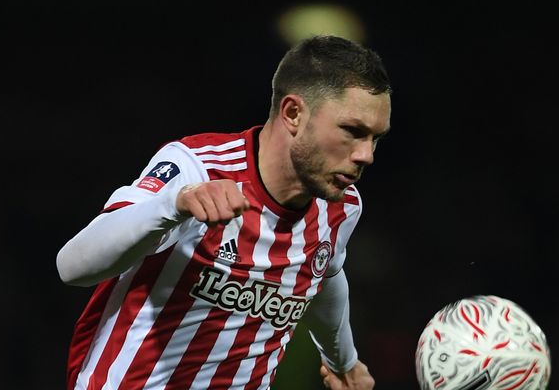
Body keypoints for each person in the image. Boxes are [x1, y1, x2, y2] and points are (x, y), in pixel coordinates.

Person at [56, 35, 392, 390]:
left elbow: (323, 274)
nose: (366, 155)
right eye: (353, 131)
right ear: (293, 113)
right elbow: (73, 268)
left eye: (375, 138)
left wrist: (343, 360)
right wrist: (174, 204)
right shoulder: (196, 168)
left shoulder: (341, 207)